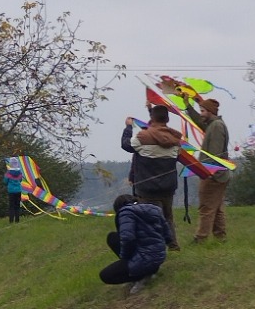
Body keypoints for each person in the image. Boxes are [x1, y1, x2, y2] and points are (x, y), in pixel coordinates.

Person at [121, 104, 183, 249]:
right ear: (167, 119)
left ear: (152, 118)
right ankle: (173, 244)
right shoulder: (175, 139)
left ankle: (153, 247)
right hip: (168, 186)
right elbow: (177, 155)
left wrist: (128, 127)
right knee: (167, 216)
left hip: (147, 188)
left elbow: (126, 145)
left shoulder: (143, 137)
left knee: (149, 219)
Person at [99, 194, 174, 294]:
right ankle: (149, 269)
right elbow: (168, 235)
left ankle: (140, 276)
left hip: (145, 259)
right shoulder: (155, 209)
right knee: (112, 237)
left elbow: (127, 238)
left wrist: (125, 258)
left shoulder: (125, 212)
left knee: (105, 275)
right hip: (158, 257)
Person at [185, 96, 231, 242]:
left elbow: (215, 154)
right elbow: (198, 121)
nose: (201, 114)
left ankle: (200, 237)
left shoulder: (216, 126)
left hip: (213, 175)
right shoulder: (213, 125)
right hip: (218, 174)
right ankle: (220, 237)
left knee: (206, 207)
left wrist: (209, 173)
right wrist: (187, 105)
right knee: (216, 207)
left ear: (210, 111)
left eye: (203, 111)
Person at [3, 157, 24, 224]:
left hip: (11, 191)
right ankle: (17, 221)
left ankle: (11, 221)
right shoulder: (20, 172)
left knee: (11, 206)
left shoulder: (8, 173)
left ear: (11, 164)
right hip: (18, 191)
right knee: (17, 206)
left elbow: (5, 181)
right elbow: (20, 180)